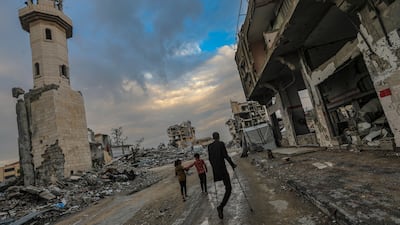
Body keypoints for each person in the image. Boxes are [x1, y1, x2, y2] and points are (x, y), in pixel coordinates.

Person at [208, 132, 237, 219]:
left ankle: (220, 207)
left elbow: (210, 159)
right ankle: (221, 206)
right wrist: (232, 165)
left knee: (227, 188)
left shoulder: (209, 147)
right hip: (223, 170)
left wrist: (214, 170)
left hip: (216, 172)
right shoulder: (221, 144)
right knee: (229, 188)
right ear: (219, 137)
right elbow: (226, 156)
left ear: (213, 137)